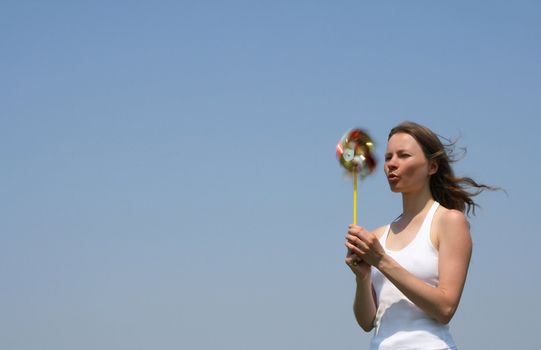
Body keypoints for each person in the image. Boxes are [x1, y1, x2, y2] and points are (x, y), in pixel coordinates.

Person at [345, 121, 495, 350]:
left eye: (403, 155)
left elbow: (445, 308)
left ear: (432, 166)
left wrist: (382, 261)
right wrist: (362, 277)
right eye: (388, 157)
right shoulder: (379, 236)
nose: (391, 165)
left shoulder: (449, 221)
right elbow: (367, 322)